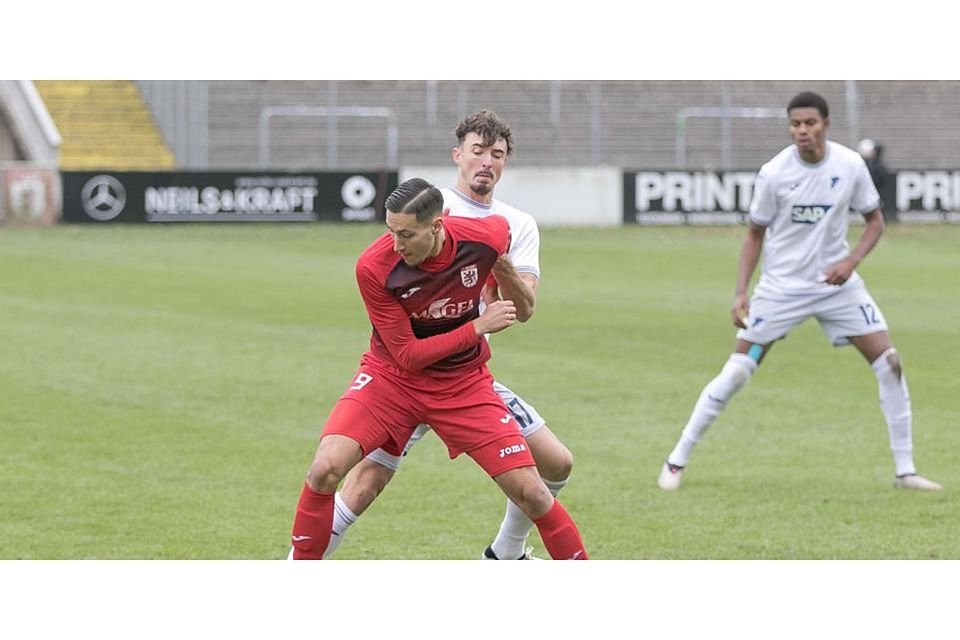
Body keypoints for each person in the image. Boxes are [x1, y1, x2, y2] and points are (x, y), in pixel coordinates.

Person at [290, 177, 588, 560]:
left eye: (406, 235)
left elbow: (508, 263)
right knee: (326, 469)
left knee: (533, 492)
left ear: (437, 225)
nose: (396, 245)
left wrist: (499, 275)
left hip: (463, 385)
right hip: (392, 380)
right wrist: (479, 325)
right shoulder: (374, 266)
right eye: (391, 232)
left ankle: (513, 556)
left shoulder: (488, 234)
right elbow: (409, 356)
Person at [657, 91, 941, 493]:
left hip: (835, 286)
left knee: (890, 362)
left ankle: (906, 471)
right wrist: (741, 292)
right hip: (781, 290)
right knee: (736, 372)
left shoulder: (849, 164)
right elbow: (754, 233)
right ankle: (676, 459)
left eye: (809, 123)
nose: (802, 131)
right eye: (795, 124)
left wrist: (851, 262)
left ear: (825, 123)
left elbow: (875, 221)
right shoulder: (774, 173)